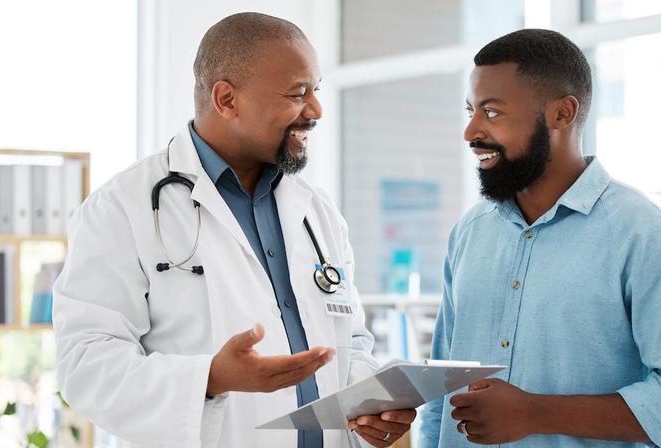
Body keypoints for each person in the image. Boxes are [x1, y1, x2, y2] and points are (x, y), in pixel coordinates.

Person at [53, 12, 414, 448]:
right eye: (298, 93)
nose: (316, 109)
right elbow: (85, 365)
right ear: (226, 99)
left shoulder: (317, 211)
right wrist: (209, 379)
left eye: (315, 89)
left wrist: (370, 404)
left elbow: (349, 340)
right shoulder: (121, 209)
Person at [419, 29, 661, 447]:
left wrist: (535, 413)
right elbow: (442, 390)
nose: (471, 131)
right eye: (470, 111)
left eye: (492, 112)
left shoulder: (641, 231)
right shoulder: (469, 233)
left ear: (562, 114)